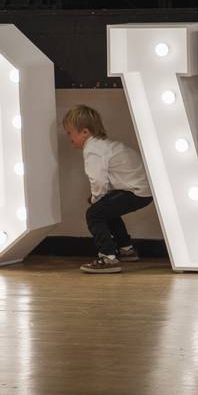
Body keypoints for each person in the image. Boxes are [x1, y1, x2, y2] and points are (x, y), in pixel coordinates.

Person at [63, 105, 152, 273]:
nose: (68, 137)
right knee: (107, 210)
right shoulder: (104, 145)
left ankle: (107, 256)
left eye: (70, 132)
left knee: (95, 214)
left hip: (135, 191)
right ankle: (126, 249)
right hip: (140, 190)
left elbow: (97, 180)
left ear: (85, 132)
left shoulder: (93, 150)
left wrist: (96, 199)